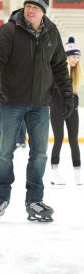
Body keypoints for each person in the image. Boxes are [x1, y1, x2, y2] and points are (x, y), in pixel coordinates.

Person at [0, 0, 74, 222]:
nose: (30, 9)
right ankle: (1, 195)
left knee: (39, 155)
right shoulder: (9, 31)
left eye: (35, 7)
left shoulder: (52, 33)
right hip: (11, 102)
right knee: (5, 153)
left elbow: (59, 68)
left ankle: (34, 200)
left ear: (43, 11)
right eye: (27, 5)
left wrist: (67, 95)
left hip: (40, 105)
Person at [50, 37, 83, 186]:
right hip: (57, 108)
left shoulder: (77, 73)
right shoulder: (58, 70)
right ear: (67, 56)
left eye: (78, 57)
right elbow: (54, 91)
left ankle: (78, 173)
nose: (75, 60)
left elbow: (74, 94)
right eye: (73, 56)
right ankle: (54, 173)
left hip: (72, 110)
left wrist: (73, 104)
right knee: (58, 139)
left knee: (74, 140)